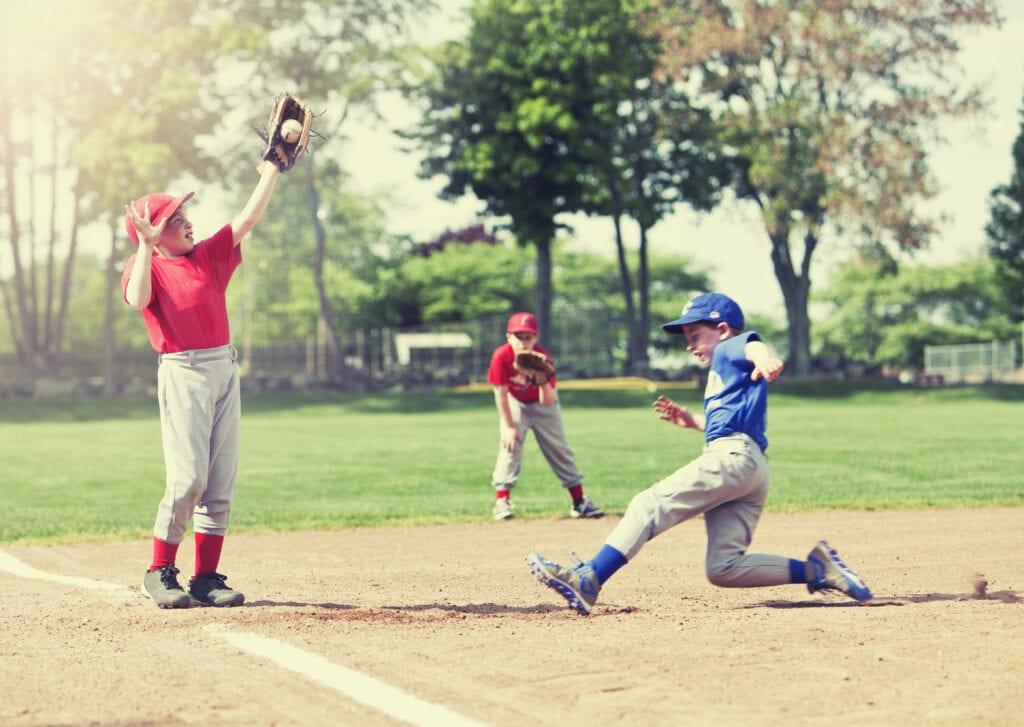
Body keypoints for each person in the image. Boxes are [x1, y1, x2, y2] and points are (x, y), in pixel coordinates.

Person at [528, 292, 872, 614]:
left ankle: (589, 578)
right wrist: (693, 421)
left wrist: (767, 359)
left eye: (694, 336)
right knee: (724, 567)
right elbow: (731, 420)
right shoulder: (724, 372)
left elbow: (752, 345)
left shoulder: (729, 348)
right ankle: (817, 570)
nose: (690, 346)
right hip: (751, 468)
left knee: (648, 505)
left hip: (733, 459)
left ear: (721, 329)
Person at [122, 159, 282, 608]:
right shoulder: (146, 267)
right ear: (152, 231)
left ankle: (206, 578)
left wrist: (271, 168)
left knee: (218, 481)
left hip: (223, 369)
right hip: (183, 371)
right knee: (188, 477)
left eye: (185, 215)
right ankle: (159, 571)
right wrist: (148, 248)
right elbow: (137, 300)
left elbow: (248, 217)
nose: (187, 222)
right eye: (175, 219)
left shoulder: (207, 257)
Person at [487, 312, 604, 521]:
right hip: (515, 403)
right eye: (518, 336)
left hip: (543, 406)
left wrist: (542, 378)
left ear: (536, 338)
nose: (523, 341)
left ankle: (579, 502)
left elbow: (548, 402)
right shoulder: (501, 356)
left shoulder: (544, 358)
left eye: (528, 337)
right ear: (508, 337)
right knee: (510, 446)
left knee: (559, 449)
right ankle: (501, 501)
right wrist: (509, 426)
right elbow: (501, 394)